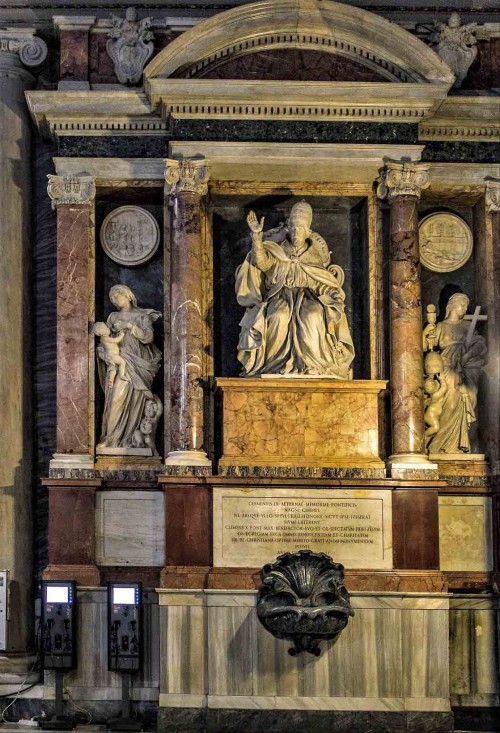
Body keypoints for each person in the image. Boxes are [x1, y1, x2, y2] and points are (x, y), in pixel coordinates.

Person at [235, 200, 355, 378]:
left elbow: (322, 282)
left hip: (309, 298)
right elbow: (263, 263)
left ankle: (315, 365)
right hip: (280, 296)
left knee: (313, 316)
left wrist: (333, 295)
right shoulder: (278, 253)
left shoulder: (313, 259)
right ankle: (273, 366)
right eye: (294, 227)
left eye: (301, 228)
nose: (297, 231)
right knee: (277, 316)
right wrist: (257, 237)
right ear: (289, 229)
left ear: (307, 232)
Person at [96, 284, 161, 452]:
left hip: (138, 363)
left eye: (117, 296)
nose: (114, 300)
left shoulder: (141, 317)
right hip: (119, 360)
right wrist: (103, 353)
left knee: (135, 403)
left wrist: (132, 328)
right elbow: (104, 339)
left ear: (128, 296)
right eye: (112, 299)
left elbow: (148, 338)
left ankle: (129, 438)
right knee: (115, 399)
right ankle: (110, 438)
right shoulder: (112, 317)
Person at [423, 292, 486, 454]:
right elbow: (424, 347)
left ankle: (457, 445)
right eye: (461, 305)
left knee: (461, 402)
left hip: (464, 371)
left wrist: (469, 354)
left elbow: (480, 345)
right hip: (446, 369)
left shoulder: (468, 327)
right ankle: (440, 444)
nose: (464, 309)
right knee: (448, 404)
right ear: (451, 305)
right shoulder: (441, 326)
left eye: (466, 306)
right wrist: (426, 334)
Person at [94, 322, 128, 387]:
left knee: (113, 368)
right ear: (101, 333)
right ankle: (122, 375)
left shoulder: (103, 338)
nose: (108, 328)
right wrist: (122, 335)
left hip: (110, 355)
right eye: (106, 328)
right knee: (122, 362)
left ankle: (111, 380)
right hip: (113, 355)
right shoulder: (106, 339)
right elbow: (116, 340)